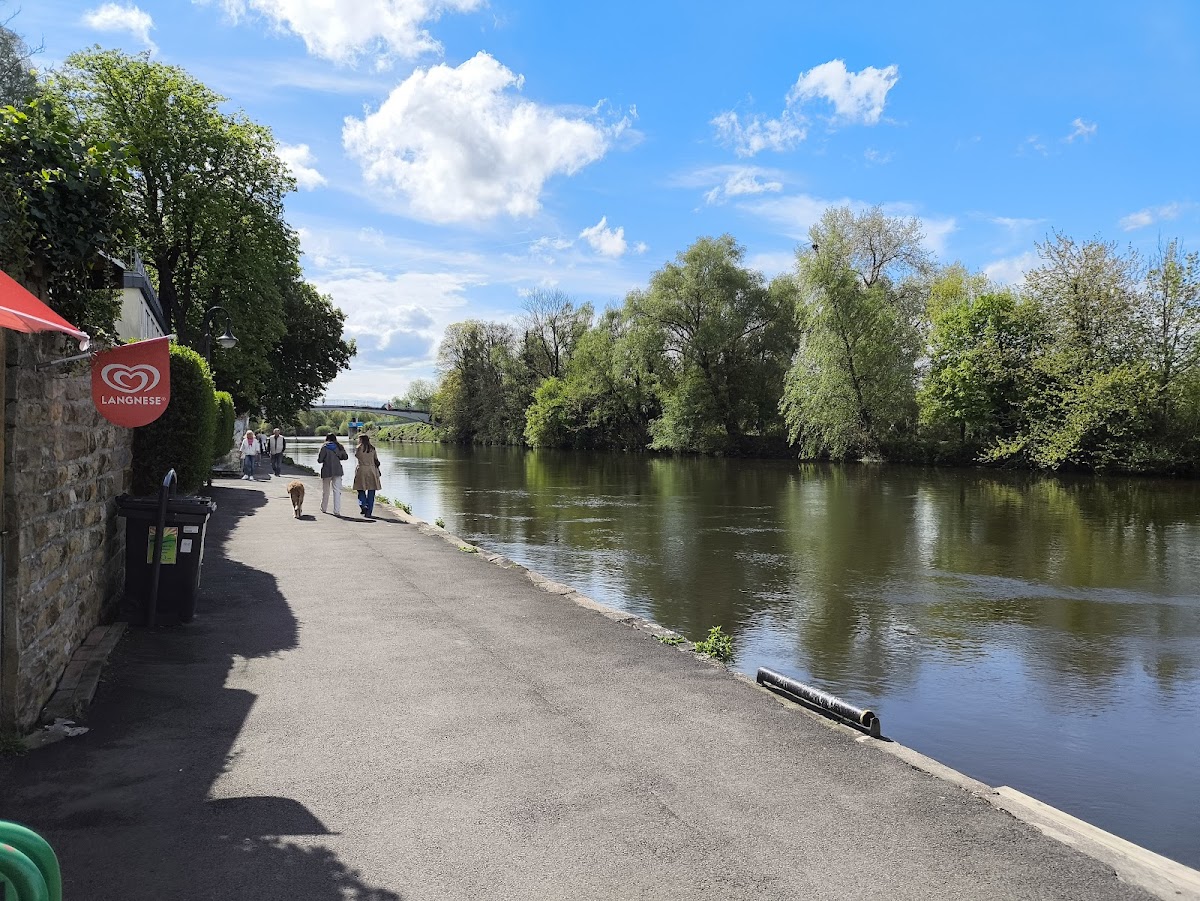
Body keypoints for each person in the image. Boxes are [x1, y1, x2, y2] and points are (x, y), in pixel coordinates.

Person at [317, 432, 348, 515]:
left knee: (326, 491)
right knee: (337, 491)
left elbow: (319, 460)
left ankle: (324, 508)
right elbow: (345, 457)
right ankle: (336, 511)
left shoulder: (324, 447)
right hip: (337, 471)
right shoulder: (339, 446)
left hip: (326, 471)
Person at [353, 433, 382, 517]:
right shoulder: (372, 448)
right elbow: (376, 459)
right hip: (372, 470)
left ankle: (363, 504)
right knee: (371, 491)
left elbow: (357, 456)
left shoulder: (359, 448)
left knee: (360, 489)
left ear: (361, 440)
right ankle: (369, 512)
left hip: (362, 469)